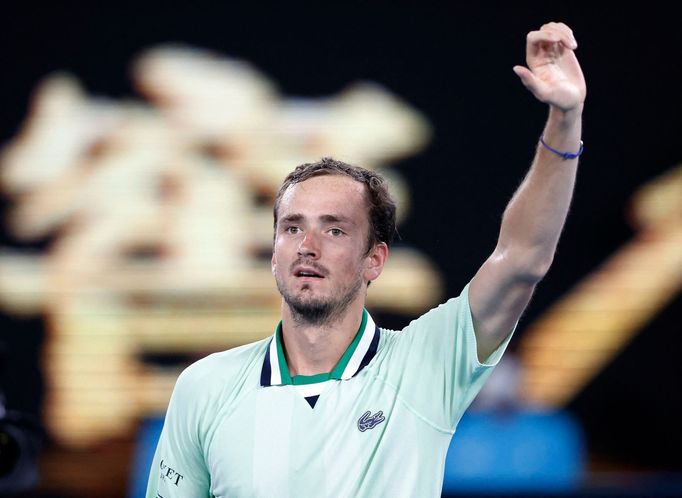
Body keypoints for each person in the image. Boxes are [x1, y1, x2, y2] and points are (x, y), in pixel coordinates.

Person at [146, 21, 585, 498]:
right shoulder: (204, 388)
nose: (307, 245)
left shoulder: (425, 366)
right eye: (292, 227)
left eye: (334, 229)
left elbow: (521, 259)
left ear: (375, 260)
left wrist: (564, 119)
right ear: (273, 251)